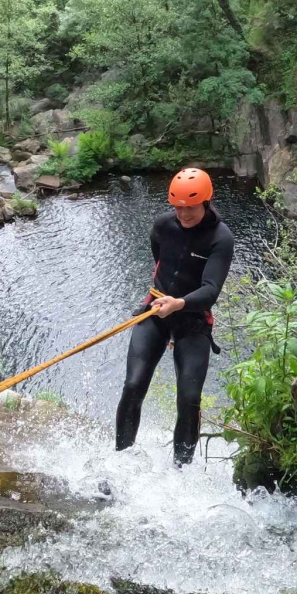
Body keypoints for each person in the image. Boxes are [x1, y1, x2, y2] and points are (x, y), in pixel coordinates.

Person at [115, 168, 234, 465]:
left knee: (189, 399)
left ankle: (181, 471)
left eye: (190, 208)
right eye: (178, 208)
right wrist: (165, 300)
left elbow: (210, 290)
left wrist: (179, 302)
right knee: (133, 385)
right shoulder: (163, 225)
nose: (183, 214)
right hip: (156, 309)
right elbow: (161, 261)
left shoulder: (220, 238)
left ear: (206, 202)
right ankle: (121, 460)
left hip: (192, 318)